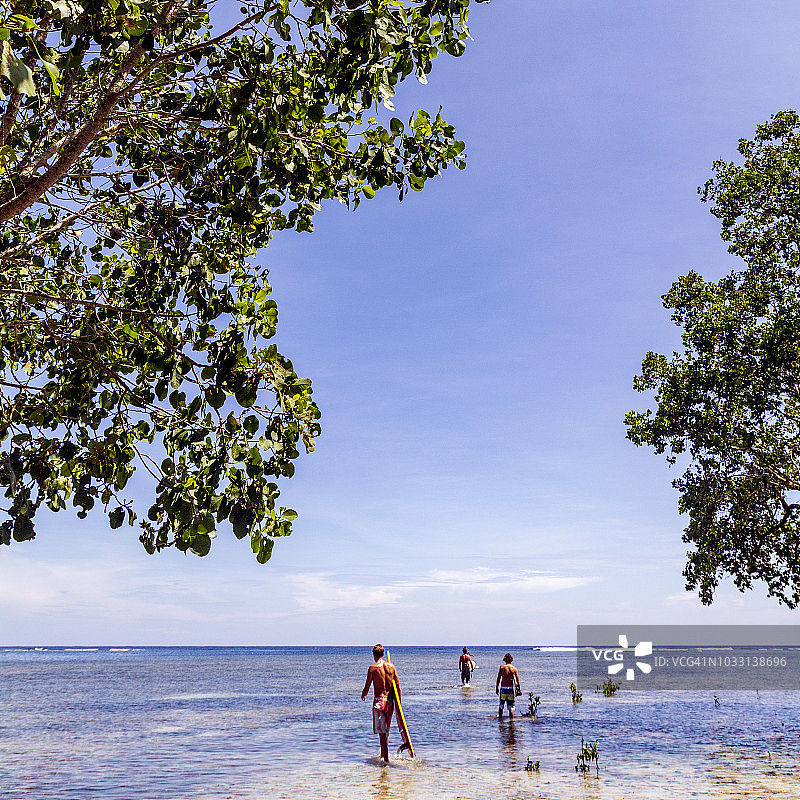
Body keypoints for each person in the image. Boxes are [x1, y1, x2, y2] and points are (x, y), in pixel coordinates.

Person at [361, 643, 402, 762]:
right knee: (386, 732)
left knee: (382, 734)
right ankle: (384, 756)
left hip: (379, 701)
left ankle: (386, 760)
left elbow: (367, 686)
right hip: (390, 702)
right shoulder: (391, 667)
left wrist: (363, 695)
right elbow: (398, 687)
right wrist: (398, 704)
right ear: (383, 654)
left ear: (374, 655)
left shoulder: (372, 668)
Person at [495, 652, 521, 718]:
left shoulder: (502, 667)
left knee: (501, 705)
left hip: (503, 688)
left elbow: (498, 678)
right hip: (510, 689)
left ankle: (500, 722)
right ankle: (511, 723)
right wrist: (519, 690)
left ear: (504, 659)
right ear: (511, 660)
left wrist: (496, 687)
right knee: (511, 707)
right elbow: (517, 681)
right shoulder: (514, 669)